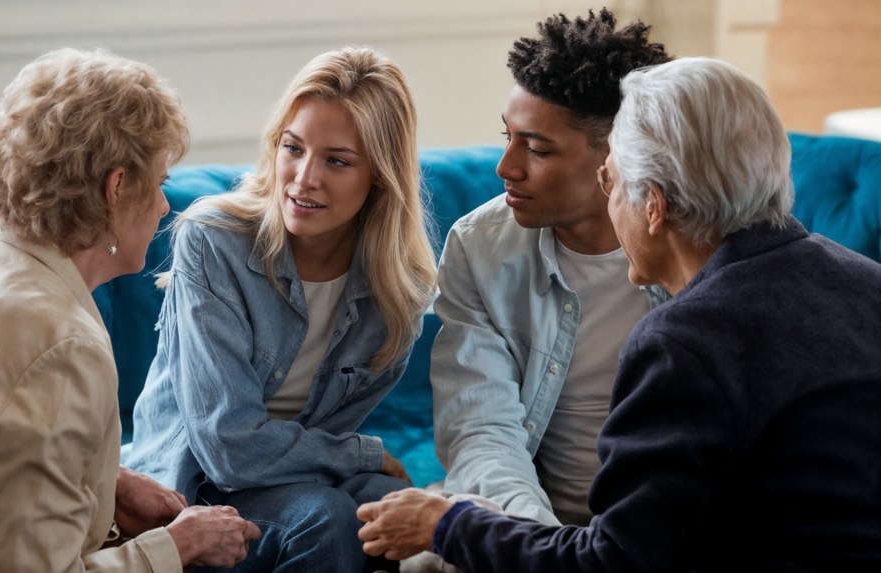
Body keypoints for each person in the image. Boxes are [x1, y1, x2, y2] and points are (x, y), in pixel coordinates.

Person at [357, 56, 881, 572]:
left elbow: (615, 562)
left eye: (614, 184)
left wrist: (450, 527)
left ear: (652, 206)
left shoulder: (685, 341)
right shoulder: (867, 281)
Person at [0, 48, 261, 572]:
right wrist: (178, 547)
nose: (165, 206)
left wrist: (106, 480)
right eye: (160, 183)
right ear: (116, 189)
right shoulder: (61, 345)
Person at [124, 46, 437, 573]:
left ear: (379, 176)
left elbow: (324, 438)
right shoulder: (213, 242)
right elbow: (227, 449)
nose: (303, 178)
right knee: (327, 518)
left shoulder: (398, 292)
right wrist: (364, 455)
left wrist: (366, 471)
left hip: (289, 482)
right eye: (293, 148)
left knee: (401, 515)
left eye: (337, 161)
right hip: (189, 489)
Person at [429, 7, 672, 530]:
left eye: (536, 148)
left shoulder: (698, 248)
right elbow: (480, 429)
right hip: (535, 528)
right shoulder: (479, 247)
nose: (506, 168)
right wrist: (539, 544)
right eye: (509, 137)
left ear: (618, 157)